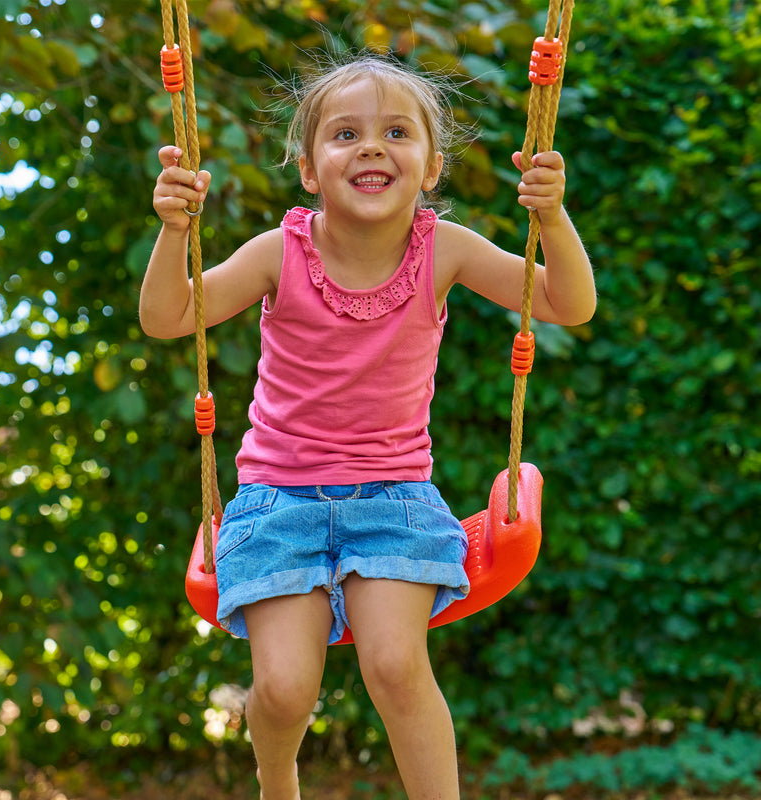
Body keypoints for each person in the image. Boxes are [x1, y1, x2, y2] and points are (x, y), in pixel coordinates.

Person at [140, 54, 595, 800]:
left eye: (396, 132)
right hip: (277, 501)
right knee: (284, 689)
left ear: (432, 166)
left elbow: (566, 304)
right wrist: (171, 231)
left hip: (394, 501)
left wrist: (551, 215)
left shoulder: (443, 249)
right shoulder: (277, 254)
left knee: (394, 663)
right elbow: (169, 317)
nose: (372, 147)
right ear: (311, 170)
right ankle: (276, 779)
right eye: (345, 133)